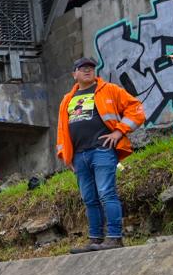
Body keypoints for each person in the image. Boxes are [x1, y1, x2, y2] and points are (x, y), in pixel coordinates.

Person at [56, 57, 145, 252]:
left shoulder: (110, 90)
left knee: (106, 193)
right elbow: (62, 129)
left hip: (102, 150)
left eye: (91, 68)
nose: (88, 71)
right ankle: (95, 240)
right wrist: (65, 155)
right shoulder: (67, 99)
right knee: (89, 198)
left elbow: (136, 109)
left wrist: (119, 131)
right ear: (74, 74)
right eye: (83, 68)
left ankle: (114, 238)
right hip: (79, 155)